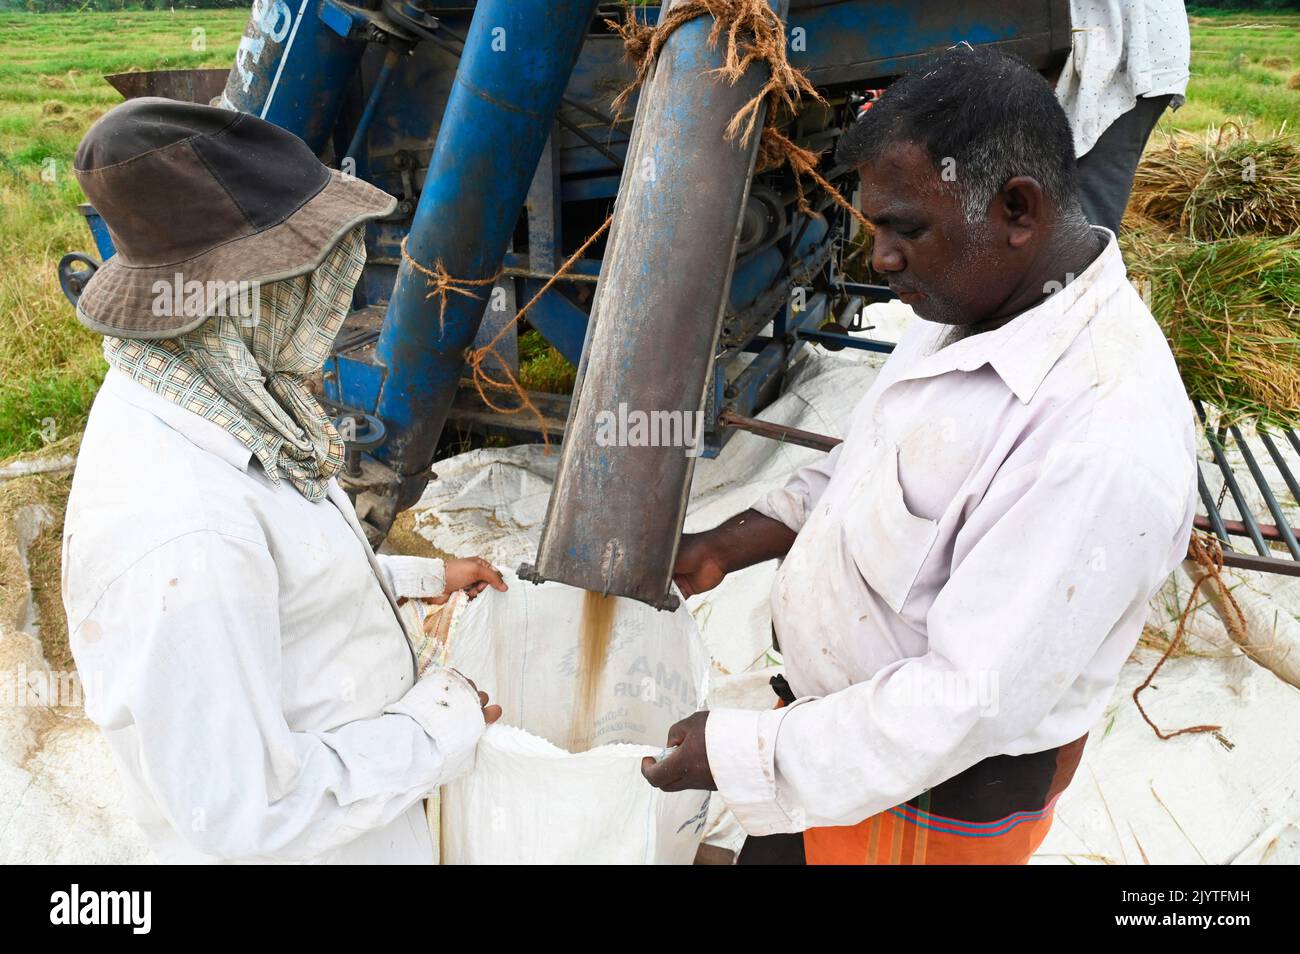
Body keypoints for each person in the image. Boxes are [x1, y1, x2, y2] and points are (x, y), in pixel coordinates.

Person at [641, 45, 1198, 865]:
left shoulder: (1100, 436)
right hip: (841, 740)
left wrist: (738, 755)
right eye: (874, 227)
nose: (881, 260)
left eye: (904, 229)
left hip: (937, 789)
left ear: (1017, 209)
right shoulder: (970, 300)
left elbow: (962, 703)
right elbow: (867, 462)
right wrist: (728, 546)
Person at [61, 97, 506, 864]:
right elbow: (250, 815)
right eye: (304, 279)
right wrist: (441, 723)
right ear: (243, 300)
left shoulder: (223, 400)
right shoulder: (181, 532)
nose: (326, 304)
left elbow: (275, 584)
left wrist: (420, 577)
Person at [1055, 0, 1191, 234]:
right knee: (1085, 192)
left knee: (1087, 205)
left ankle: (1085, 268)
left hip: (1122, 55)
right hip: (1131, 41)